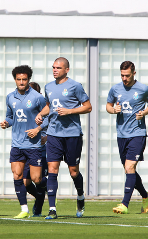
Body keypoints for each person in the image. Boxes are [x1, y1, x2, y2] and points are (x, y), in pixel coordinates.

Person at [35, 57, 92, 219]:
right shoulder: (48, 87)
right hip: (53, 135)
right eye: (53, 67)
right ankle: (52, 209)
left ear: (66, 70)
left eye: (58, 68)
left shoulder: (75, 86)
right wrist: (40, 114)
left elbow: (88, 107)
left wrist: (69, 111)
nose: (55, 70)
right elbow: (48, 106)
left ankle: (80, 196)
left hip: (72, 135)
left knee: (73, 171)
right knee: (52, 170)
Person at [0, 65, 47, 218]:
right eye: (19, 79)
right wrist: (6, 123)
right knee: (17, 176)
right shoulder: (10, 97)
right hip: (17, 144)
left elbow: (48, 117)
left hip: (33, 145)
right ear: (15, 80)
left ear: (28, 80)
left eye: (24, 79)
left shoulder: (37, 97)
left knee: (36, 179)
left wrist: (37, 130)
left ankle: (44, 193)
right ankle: (24, 209)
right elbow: (10, 116)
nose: (21, 82)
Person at [106, 61, 148, 214]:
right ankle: (145, 196)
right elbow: (108, 105)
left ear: (134, 73)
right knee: (129, 170)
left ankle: (124, 204)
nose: (124, 78)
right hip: (121, 134)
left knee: (129, 167)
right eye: (122, 75)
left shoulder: (144, 89)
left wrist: (144, 113)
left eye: (127, 75)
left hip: (138, 133)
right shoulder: (115, 88)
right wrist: (113, 110)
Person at [23, 82, 48, 217]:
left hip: (41, 150)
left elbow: (54, 124)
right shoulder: (24, 108)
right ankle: (44, 193)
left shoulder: (45, 108)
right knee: (26, 182)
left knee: (38, 179)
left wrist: (47, 137)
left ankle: (38, 209)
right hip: (26, 148)